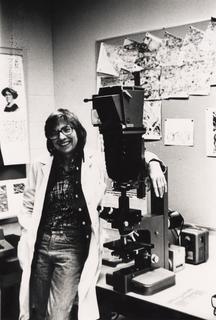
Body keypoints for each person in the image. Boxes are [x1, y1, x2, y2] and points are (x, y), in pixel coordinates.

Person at [17, 108, 167, 320]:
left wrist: (153, 165)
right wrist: (27, 232)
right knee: (35, 311)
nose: (61, 136)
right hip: (41, 244)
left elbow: (133, 158)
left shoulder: (94, 160)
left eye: (66, 129)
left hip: (71, 249)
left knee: (58, 314)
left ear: (77, 129)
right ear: (49, 138)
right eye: (54, 132)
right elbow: (28, 204)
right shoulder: (40, 164)